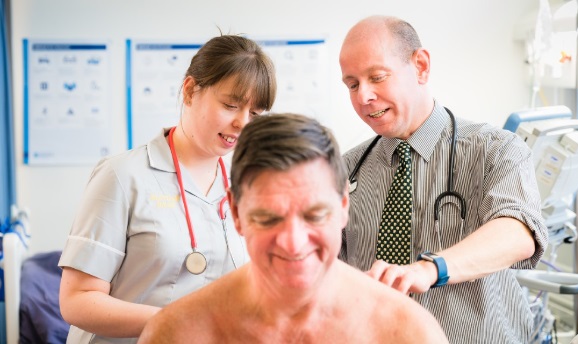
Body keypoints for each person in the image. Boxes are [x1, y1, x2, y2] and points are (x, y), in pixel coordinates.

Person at [137, 113, 449, 344]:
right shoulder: (178, 334)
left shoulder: (406, 333)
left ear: (343, 206)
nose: (293, 243)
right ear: (235, 212)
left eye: (314, 215)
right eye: (269, 218)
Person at [338, 15, 549, 343]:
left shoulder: (494, 150)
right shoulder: (346, 169)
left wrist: (430, 269)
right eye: (352, 84)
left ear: (421, 66)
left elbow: (518, 231)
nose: (363, 96)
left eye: (376, 77)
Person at [58, 34, 277, 343]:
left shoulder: (246, 183)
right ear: (189, 91)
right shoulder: (122, 176)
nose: (243, 122)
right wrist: (181, 319)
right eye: (231, 105)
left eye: (255, 114)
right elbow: (77, 300)